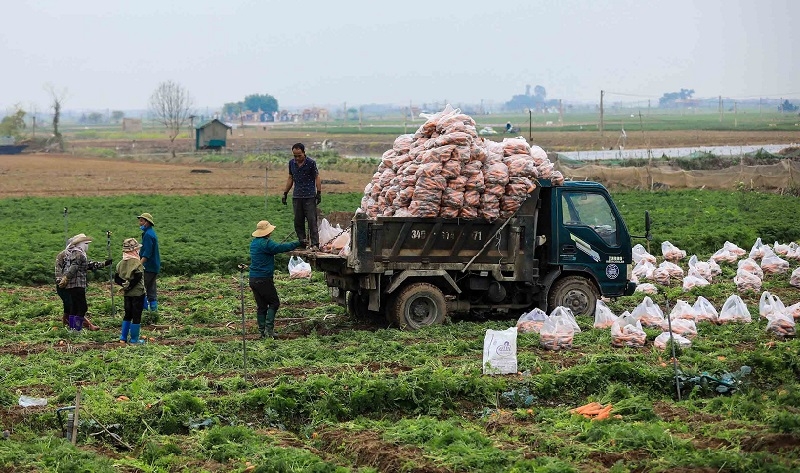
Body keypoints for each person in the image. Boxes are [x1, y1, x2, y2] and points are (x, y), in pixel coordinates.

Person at [249, 220, 302, 339]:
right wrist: (297, 243)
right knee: (274, 303)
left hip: (253, 278)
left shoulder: (254, 243)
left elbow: (274, 249)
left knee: (262, 306)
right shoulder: (266, 244)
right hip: (263, 279)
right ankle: (269, 331)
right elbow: (280, 247)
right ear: (267, 232)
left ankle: (262, 332)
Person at [57, 233, 112, 331]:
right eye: (86, 243)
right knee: (82, 308)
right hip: (78, 285)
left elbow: (88, 265)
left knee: (74, 307)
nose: (87, 246)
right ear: (81, 244)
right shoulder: (79, 254)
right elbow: (73, 268)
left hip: (72, 285)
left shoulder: (73, 253)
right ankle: (76, 329)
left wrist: (104, 263)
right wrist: (65, 278)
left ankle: (72, 329)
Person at [282, 143, 321, 250]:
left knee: (311, 220)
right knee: (298, 221)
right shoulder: (291, 163)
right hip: (297, 195)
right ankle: (302, 241)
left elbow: (316, 177)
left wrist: (319, 192)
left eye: (299, 155)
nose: (297, 158)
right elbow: (290, 178)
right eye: (295, 156)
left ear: (304, 153)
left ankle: (315, 244)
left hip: (309, 196)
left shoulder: (311, 163)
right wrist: (285, 193)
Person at [114, 238, 146, 344]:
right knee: (136, 315)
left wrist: (124, 285)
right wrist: (130, 286)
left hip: (127, 294)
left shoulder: (120, 264)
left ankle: (123, 337)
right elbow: (138, 277)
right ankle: (134, 339)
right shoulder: (137, 263)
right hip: (137, 293)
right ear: (135, 250)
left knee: (127, 314)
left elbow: (116, 278)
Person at [137, 212, 161, 312]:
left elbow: (147, 253)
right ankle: (153, 312)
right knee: (151, 289)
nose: (140, 223)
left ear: (147, 222)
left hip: (148, 266)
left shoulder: (148, 235)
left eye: (141, 221)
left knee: (140, 288)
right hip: (154, 266)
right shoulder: (150, 233)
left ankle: (145, 311)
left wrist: (138, 265)